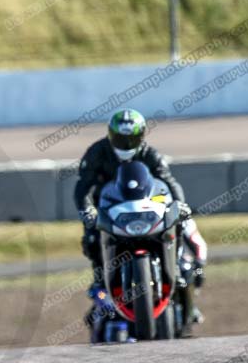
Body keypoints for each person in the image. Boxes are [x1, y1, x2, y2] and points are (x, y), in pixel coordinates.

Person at [74, 109, 206, 317]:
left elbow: (169, 181)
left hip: (143, 208)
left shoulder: (150, 154)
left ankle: (175, 268)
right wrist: (87, 211)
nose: (126, 144)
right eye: (120, 138)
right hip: (108, 209)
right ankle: (100, 280)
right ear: (110, 135)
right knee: (92, 237)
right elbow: (82, 187)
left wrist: (179, 205)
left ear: (142, 136)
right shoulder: (97, 152)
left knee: (177, 223)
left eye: (132, 139)